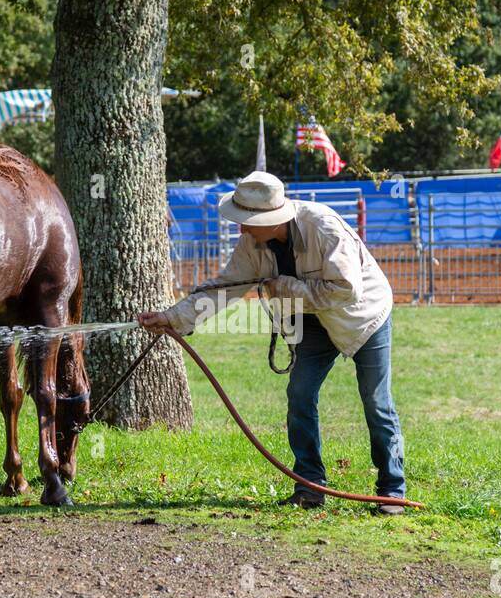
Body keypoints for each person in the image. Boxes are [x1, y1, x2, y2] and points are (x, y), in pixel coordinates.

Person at [138, 171, 407, 514]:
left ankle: (391, 491)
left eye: (247, 221)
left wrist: (289, 288)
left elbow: (345, 291)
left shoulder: (324, 228)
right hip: (311, 322)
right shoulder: (252, 243)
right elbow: (224, 288)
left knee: (376, 400)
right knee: (299, 394)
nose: (242, 228)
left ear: (270, 218)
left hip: (363, 317)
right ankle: (310, 486)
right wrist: (172, 317)